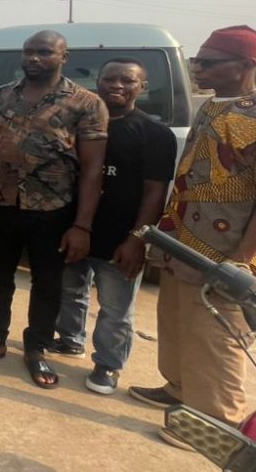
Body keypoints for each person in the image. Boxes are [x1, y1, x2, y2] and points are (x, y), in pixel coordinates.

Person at [130, 26, 256, 449]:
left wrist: (242, 260)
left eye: (208, 61)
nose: (197, 68)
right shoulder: (212, 108)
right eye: (198, 60)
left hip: (229, 250)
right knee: (179, 321)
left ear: (246, 65)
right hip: (185, 241)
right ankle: (182, 390)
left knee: (219, 332)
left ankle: (215, 420)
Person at [0, 30, 107, 389]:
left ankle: (36, 348)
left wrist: (82, 225)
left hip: (53, 210)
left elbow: (92, 169)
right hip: (1, 202)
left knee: (47, 285)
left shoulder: (86, 104)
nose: (33, 58)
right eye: (28, 52)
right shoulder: (1, 96)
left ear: (63, 57)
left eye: (44, 52)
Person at [50, 59, 175, 395]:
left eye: (127, 80)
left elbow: (155, 192)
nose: (117, 85)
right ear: (98, 82)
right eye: (109, 79)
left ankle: (108, 365)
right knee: (70, 291)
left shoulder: (154, 134)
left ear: (141, 87)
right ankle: (69, 339)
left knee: (116, 309)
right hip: (75, 228)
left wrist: (137, 239)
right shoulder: (80, 125)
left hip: (120, 236)